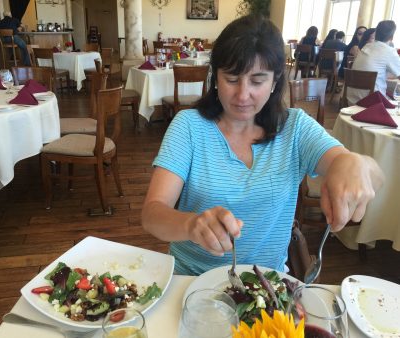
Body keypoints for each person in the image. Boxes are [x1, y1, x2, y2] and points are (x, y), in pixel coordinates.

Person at [141, 15, 383, 276]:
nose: (243, 95)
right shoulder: (188, 126)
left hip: (267, 284)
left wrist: (355, 163)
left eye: (257, 80)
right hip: (189, 280)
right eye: (232, 79)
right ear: (215, 76)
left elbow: (369, 172)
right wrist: (190, 224)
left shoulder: (296, 128)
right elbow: (152, 214)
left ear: (275, 80)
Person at [347, 20, 400, 105]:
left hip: (352, 100)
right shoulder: (389, 51)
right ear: (392, 37)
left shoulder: (366, 47)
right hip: (372, 103)